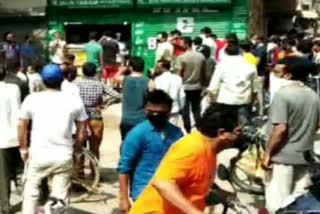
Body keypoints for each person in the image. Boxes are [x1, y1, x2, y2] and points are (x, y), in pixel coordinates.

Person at [129, 104, 242, 214]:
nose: (242, 136)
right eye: (238, 131)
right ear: (222, 133)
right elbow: (162, 183)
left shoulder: (209, 150)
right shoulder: (192, 148)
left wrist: (222, 194)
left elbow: (195, 180)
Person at [19, 64, 88, 214]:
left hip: (38, 155)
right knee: (59, 197)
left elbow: (21, 125)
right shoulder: (74, 101)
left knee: (31, 193)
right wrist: (77, 152)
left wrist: (23, 147)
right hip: (63, 156)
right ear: (62, 79)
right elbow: (82, 131)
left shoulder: (32, 99)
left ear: (42, 80)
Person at [262, 56, 320, 213]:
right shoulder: (313, 95)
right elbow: (316, 125)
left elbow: (280, 130)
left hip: (282, 158)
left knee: (277, 203)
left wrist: (268, 154)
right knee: (298, 202)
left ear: (288, 74)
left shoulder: (283, 95)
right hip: (305, 157)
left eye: (281, 68)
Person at [118, 90, 184, 213]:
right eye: (151, 112)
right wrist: (123, 198)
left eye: (160, 113)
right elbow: (124, 167)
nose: (155, 115)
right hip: (143, 192)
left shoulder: (177, 134)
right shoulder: (137, 134)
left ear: (169, 111)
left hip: (171, 193)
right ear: (145, 110)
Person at [77, 62, 121, 165]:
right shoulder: (100, 84)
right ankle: (94, 172)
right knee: (95, 148)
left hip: (80, 119)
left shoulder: (77, 84)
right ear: (95, 72)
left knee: (79, 148)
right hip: (96, 118)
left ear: (83, 71)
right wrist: (105, 104)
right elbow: (117, 96)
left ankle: (79, 173)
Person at [208, 43, 257, 125]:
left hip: (225, 101)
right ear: (241, 52)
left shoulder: (221, 66)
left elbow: (213, 87)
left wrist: (213, 100)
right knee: (243, 127)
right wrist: (252, 100)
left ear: (226, 53)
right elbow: (255, 88)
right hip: (244, 101)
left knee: (227, 127)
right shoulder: (250, 66)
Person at [115, 56, 154, 141]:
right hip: (142, 120)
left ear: (131, 67)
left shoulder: (124, 79)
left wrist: (123, 69)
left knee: (126, 143)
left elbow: (116, 77)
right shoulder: (149, 82)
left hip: (126, 119)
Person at [0, 64, 22, 214]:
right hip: (12, 136)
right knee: (7, 172)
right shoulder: (14, 88)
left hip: (3, 138)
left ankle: (5, 206)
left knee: (3, 175)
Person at [175, 37, 206, 133]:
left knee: (185, 110)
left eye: (182, 43)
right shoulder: (201, 56)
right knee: (196, 109)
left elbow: (179, 74)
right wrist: (203, 84)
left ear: (186, 44)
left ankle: (188, 130)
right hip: (197, 87)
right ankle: (200, 128)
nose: (180, 45)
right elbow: (203, 73)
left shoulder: (181, 57)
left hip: (185, 87)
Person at [154, 60, 185, 125]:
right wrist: (181, 107)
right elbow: (182, 96)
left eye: (157, 67)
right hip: (174, 109)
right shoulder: (178, 78)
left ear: (163, 68)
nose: (156, 69)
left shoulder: (158, 79)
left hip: (161, 109)